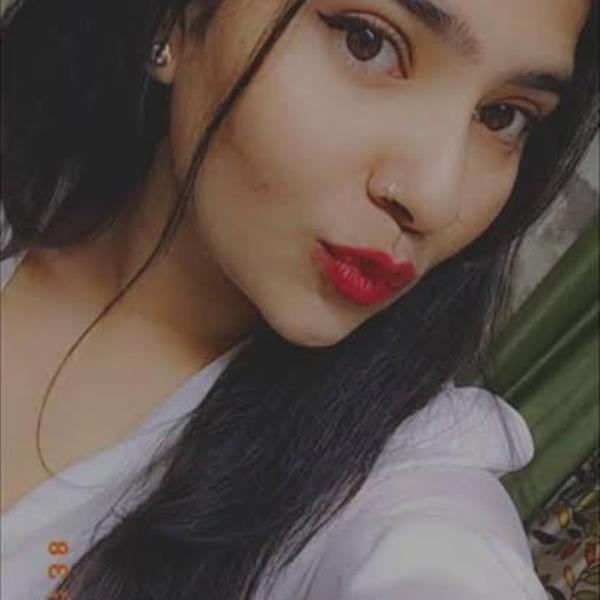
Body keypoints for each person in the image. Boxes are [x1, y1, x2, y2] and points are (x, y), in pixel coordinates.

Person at [0, 0, 597, 598]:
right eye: (368, 43)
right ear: (176, 18)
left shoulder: (396, 492)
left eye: (502, 117)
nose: (436, 196)